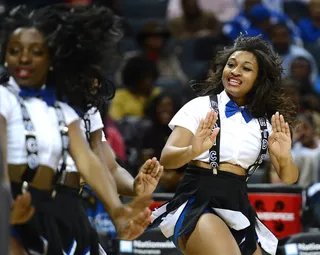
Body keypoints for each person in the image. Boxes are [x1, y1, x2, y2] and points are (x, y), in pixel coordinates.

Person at [0, 4, 155, 255]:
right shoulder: (6, 97)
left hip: (67, 205)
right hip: (21, 204)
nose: (25, 58)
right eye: (15, 51)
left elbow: (92, 163)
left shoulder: (67, 111)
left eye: (36, 52)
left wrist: (118, 214)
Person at [149, 34, 299, 255]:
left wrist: (284, 156)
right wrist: (193, 150)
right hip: (198, 199)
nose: (235, 72)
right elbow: (167, 158)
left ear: (259, 79)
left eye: (246, 68)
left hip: (238, 204)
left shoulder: (266, 123)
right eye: (231, 65)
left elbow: (289, 178)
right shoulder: (200, 107)